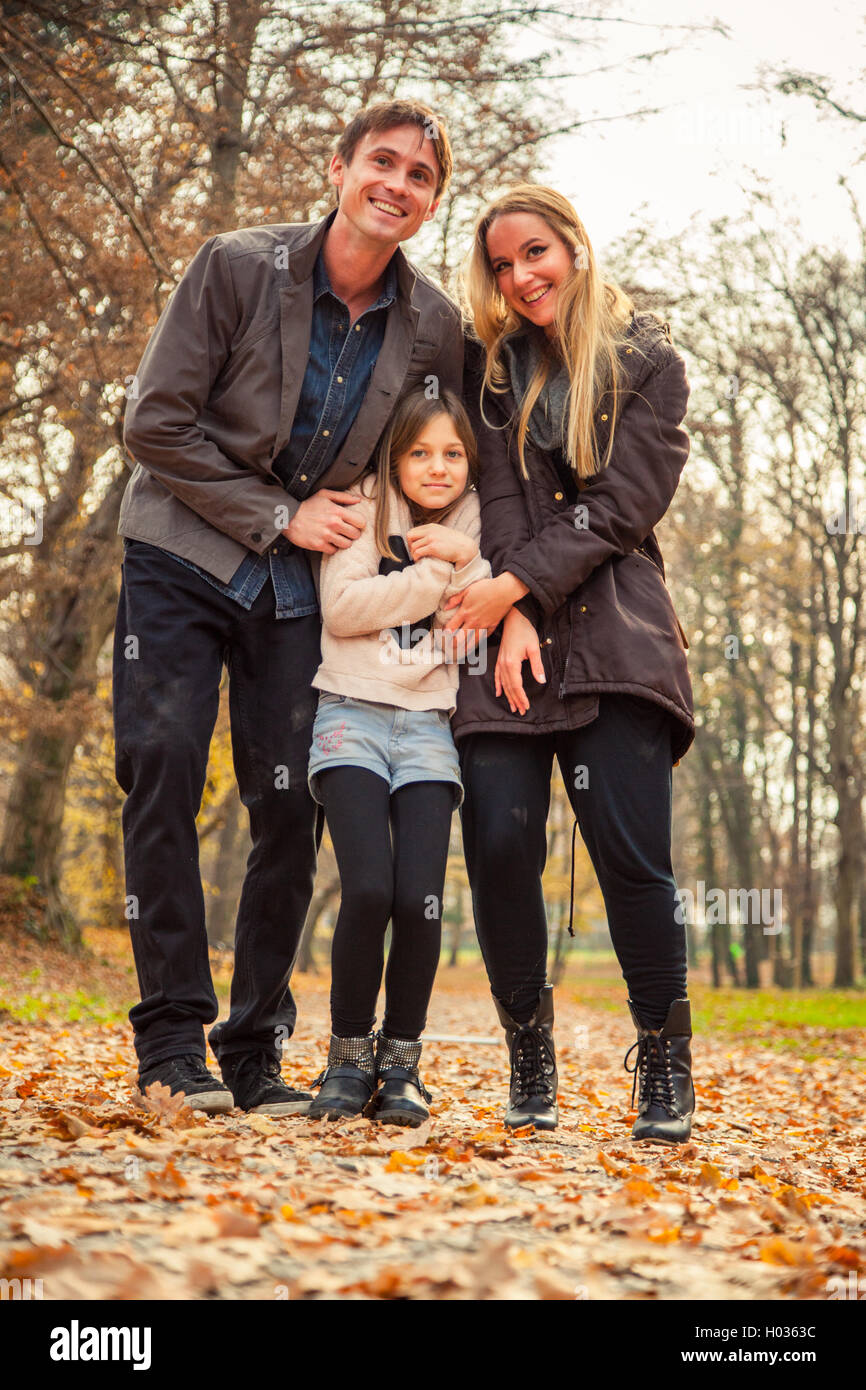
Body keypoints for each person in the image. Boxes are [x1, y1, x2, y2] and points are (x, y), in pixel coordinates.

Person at [113, 100, 462, 1116]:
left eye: (419, 177)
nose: (395, 183)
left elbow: (447, 454)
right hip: (182, 552)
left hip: (301, 589)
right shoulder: (235, 266)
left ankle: (254, 1045)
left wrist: (474, 558)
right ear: (338, 165)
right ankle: (171, 1038)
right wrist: (278, 511)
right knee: (162, 767)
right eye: (381, 162)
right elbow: (155, 423)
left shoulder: (433, 323)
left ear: (430, 203)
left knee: (288, 801)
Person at [444, 184, 696, 1143]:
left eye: (536, 253)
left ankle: (665, 1068)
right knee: (502, 845)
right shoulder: (495, 372)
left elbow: (624, 506)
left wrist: (521, 596)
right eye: (502, 265)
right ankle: (529, 1056)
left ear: (576, 248)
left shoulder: (649, 361)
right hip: (506, 640)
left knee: (632, 860)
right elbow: (501, 498)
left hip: (615, 629)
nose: (520, 278)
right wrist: (510, 608)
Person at [306, 387, 490, 1127]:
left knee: (420, 898)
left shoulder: (474, 523)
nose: (437, 468)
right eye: (420, 452)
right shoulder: (362, 507)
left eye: (452, 454)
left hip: (426, 729)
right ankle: (347, 1059)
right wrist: (437, 575)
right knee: (370, 891)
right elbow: (341, 609)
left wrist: (466, 563)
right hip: (349, 712)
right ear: (396, 456)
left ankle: (403, 1063)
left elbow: (464, 633)